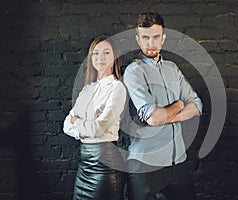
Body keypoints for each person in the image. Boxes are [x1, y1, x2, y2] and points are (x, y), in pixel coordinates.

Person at [123, 12, 203, 200]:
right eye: (145, 37)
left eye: (156, 37)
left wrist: (166, 116)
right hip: (145, 165)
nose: (151, 43)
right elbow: (155, 118)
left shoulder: (172, 68)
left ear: (163, 38)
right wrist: (179, 104)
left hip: (177, 162)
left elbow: (197, 105)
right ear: (138, 40)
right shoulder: (134, 72)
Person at [63, 36, 127, 200]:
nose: (100, 57)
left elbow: (98, 128)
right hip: (84, 166)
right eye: (96, 53)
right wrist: (86, 128)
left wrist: (77, 121)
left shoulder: (117, 88)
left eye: (106, 52)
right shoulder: (87, 89)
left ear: (115, 57)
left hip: (105, 166)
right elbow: (65, 126)